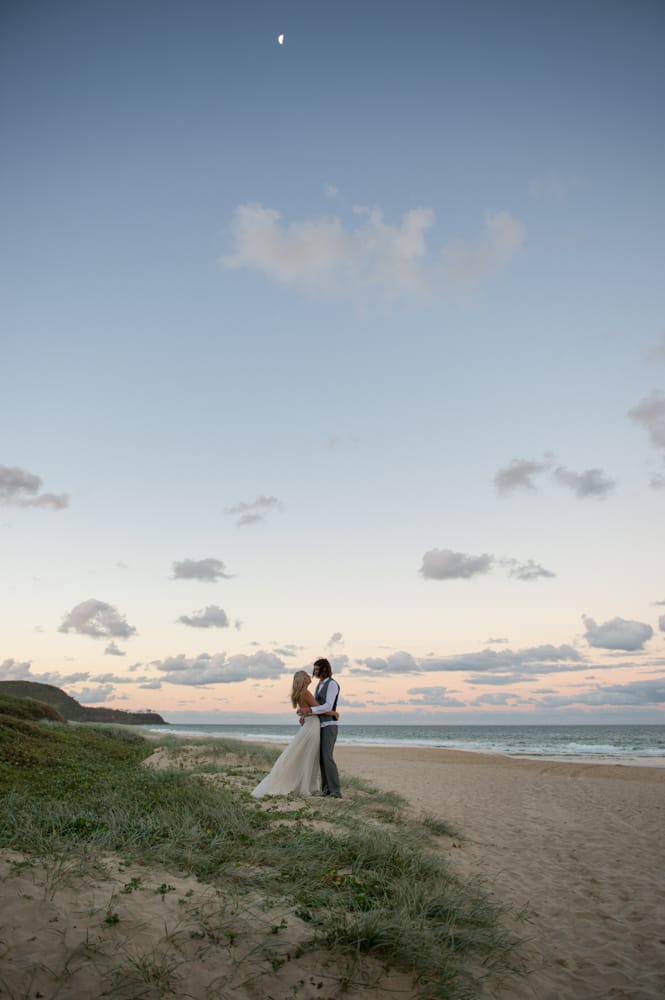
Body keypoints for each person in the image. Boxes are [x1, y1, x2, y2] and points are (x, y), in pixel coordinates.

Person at [250, 669, 338, 798]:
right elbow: (319, 709)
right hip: (312, 726)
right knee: (309, 757)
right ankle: (305, 788)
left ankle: (306, 786)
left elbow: (307, 710)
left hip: (309, 724)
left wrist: (304, 714)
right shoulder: (306, 693)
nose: (310, 676)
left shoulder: (300, 693)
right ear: (303, 680)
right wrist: (334, 713)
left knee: (304, 755)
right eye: (307, 675)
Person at [300, 657, 341, 798]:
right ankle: (326, 790)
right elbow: (317, 705)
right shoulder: (319, 684)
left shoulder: (332, 684)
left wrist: (310, 710)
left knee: (327, 757)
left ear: (325, 668)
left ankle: (335, 791)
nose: (314, 671)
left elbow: (328, 706)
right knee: (322, 758)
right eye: (314, 668)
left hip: (329, 725)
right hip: (319, 726)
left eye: (317, 668)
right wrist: (306, 714)